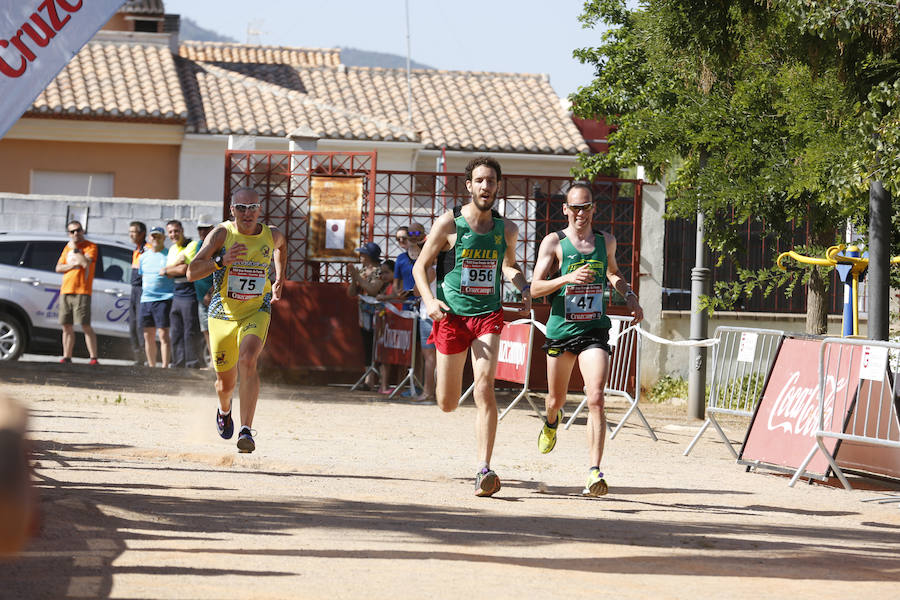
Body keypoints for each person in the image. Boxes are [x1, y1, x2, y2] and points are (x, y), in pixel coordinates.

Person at [413, 156, 531, 497]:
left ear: (497, 186)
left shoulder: (506, 229)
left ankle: (484, 469)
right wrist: (429, 301)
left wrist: (523, 286)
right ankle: (447, 399)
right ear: (469, 186)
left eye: (490, 181)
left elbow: (508, 266)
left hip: (487, 315)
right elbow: (420, 267)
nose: (485, 186)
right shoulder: (449, 224)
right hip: (451, 317)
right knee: (447, 402)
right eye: (479, 180)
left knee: (484, 387)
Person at [529, 182, 644, 497]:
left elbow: (613, 272)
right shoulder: (555, 242)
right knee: (555, 400)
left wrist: (629, 295)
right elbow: (534, 288)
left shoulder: (606, 241)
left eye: (586, 207)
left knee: (595, 397)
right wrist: (567, 277)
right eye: (575, 207)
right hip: (562, 331)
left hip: (594, 329)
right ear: (565, 209)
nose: (581, 213)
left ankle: (594, 472)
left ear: (594, 208)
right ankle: (552, 421)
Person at [186, 187, 286, 454]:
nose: (247, 213)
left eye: (252, 207)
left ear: (260, 209)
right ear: (232, 210)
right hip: (222, 315)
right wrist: (221, 260)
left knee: (248, 359)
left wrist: (279, 277)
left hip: (256, 310)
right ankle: (224, 410)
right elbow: (191, 272)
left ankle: (246, 431)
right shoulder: (221, 234)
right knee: (225, 384)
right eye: (241, 208)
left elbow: (281, 247)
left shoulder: (271, 234)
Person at [390, 222, 436, 402]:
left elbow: (417, 291)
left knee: (429, 356)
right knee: (439, 356)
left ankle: (428, 392)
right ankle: (435, 392)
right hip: (438, 311)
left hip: (428, 313)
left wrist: (412, 289)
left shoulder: (427, 269)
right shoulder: (443, 266)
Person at [54, 220, 99, 365]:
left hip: (82, 290)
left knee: (85, 324)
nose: (75, 233)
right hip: (67, 289)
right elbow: (58, 267)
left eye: (78, 230)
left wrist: (75, 250)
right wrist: (73, 265)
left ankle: (93, 357)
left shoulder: (90, 246)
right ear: (69, 233)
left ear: (82, 230)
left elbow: (85, 263)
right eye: (72, 231)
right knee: (66, 325)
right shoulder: (67, 247)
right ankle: (67, 356)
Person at [347, 241, 388, 391]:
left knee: (379, 345)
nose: (360, 256)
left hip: (379, 313)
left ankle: (382, 381)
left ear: (370, 256)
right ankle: (368, 380)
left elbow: (372, 289)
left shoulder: (380, 271)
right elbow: (351, 293)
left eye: (363, 254)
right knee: (367, 344)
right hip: (364, 313)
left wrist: (357, 277)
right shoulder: (363, 271)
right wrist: (354, 279)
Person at [161, 220, 201, 369]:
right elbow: (169, 271)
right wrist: (172, 267)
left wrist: (168, 269)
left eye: (176, 231)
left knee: (190, 331)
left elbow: (184, 269)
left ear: (182, 230)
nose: (173, 234)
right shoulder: (172, 249)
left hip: (189, 293)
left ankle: (192, 364)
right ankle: (178, 364)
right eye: (170, 232)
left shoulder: (192, 245)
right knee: (176, 331)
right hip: (176, 293)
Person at [177, 215, 216, 367]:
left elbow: (222, 272)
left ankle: (218, 362)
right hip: (201, 297)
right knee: (206, 329)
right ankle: (213, 361)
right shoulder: (199, 245)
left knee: (215, 330)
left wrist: (211, 292)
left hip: (214, 297)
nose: (202, 232)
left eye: (206, 229)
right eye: (200, 229)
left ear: (212, 229)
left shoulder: (216, 246)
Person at [138, 226, 173, 368]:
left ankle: (165, 366)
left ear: (164, 238)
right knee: (148, 335)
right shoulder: (143, 257)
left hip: (164, 299)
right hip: (146, 299)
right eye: (153, 236)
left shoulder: (169, 254)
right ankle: (152, 367)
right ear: (149, 238)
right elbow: (142, 275)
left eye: (158, 236)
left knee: (163, 334)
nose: (155, 239)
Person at [128, 221, 149, 366]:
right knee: (133, 325)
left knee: (141, 325)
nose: (131, 235)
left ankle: (145, 357)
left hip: (142, 289)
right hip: (134, 289)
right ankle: (138, 357)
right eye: (130, 232)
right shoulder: (136, 250)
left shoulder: (147, 249)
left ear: (142, 234)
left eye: (133, 232)